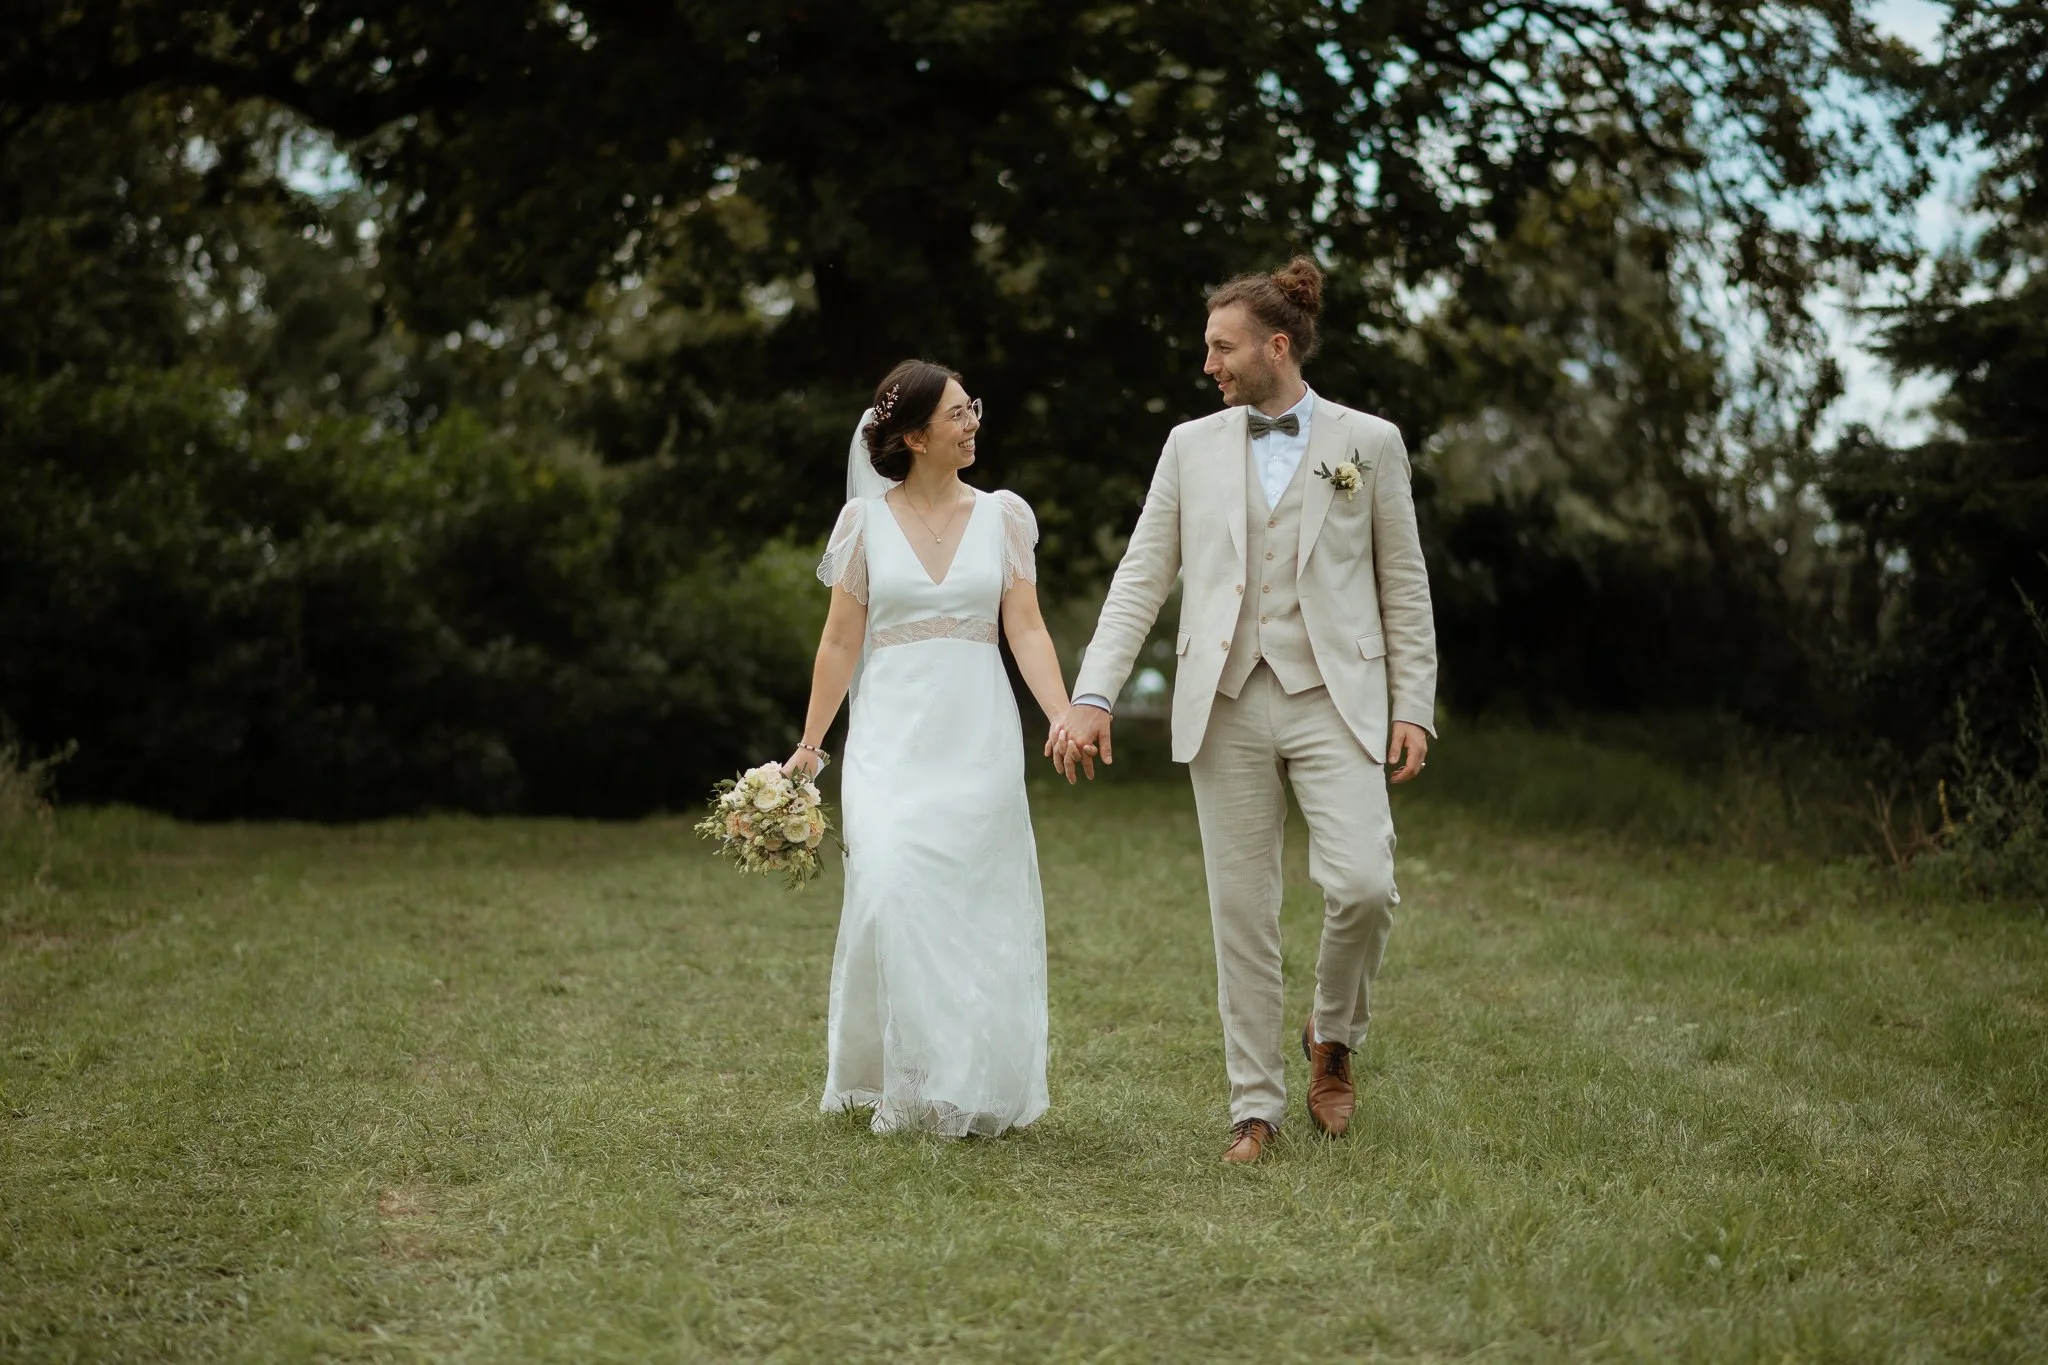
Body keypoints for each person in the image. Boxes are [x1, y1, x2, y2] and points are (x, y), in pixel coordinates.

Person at [1052, 257, 1439, 1163]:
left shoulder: (1369, 443)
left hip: (1335, 698)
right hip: (1221, 699)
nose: (1209, 365)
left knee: (1363, 884)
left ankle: (1332, 1035)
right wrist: (1094, 691)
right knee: (1242, 909)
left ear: (1276, 346)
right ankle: (1254, 1108)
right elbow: (1142, 573)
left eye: (1221, 347)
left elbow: (1404, 585)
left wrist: (1412, 703)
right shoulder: (1189, 445)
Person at [788, 360, 1072, 1137]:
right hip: (890, 743)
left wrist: (1060, 712)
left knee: (972, 909)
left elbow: (1027, 626)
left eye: (971, 407)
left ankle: (958, 1079)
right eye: (956, 413)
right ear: (913, 436)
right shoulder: (863, 524)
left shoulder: (1005, 517)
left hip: (977, 739)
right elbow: (841, 640)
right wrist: (812, 745)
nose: (972, 421)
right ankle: (899, 1076)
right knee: (890, 888)